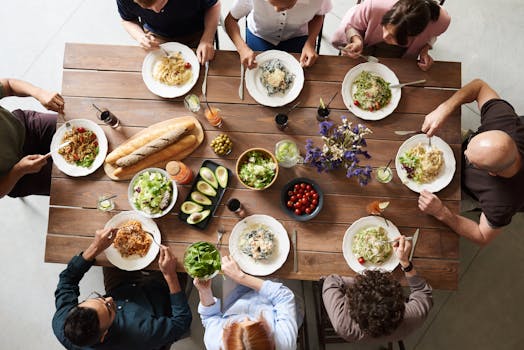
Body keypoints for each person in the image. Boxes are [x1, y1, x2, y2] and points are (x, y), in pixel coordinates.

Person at [418, 79, 524, 246]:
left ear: (492, 173)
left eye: (470, 159)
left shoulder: (501, 203)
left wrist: (442, 212)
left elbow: (482, 236)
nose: (463, 152)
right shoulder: (505, 122)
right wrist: (444, 109)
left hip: (466, 190)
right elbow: (479, 86)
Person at [52, 227, 192, 349]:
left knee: (114, 249)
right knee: (180, 254)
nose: (110, 299)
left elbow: (67, 280)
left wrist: (95, 248)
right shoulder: (141, 335)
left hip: (121, 288)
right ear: (104, 335)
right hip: (158, 299)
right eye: (108, 308)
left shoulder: (62, 323)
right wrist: (170, 276)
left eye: (99, 298)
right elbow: (182, 322)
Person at [322, 236, 433, 342]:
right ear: (399, 299)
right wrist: (405, 262)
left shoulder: (343, 325)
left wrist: (358, 284)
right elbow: (422, 291)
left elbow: (331, 281)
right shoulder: (414, 316)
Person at [194, 255, 300, 349]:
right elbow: (284, 297)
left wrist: (204, 291)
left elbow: (210, 317)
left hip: (236, 297)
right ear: (269, 340)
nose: (244, 317)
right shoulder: (285, 344)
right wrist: (241, 277)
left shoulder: (214, 343)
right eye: (252, 321)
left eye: (235, 324)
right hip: (273, 298)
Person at [331, 0, 450, 71]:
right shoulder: (375, 5)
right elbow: (353, 24)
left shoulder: (441, 21)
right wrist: (356, 40)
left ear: (414, 35)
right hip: (366, 38)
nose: (385, 36)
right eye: (385, 26)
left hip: (401, 54)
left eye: (393, 37)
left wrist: (425, 49)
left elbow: (432, 36)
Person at [0, 78, 64, 198]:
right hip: (16, 175)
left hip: (27, 127)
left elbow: (8, 85)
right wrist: (19, 170)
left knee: (80, 130)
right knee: (75, 185)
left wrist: (39, 93)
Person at [224, 0, 332, 68]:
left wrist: (310, 42)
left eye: (286, 6)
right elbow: (230, 20)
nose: (276, 10)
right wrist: (242, 48)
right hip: (259, 35)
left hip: (297, 36)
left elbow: (318, 16)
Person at [116, 0, 221, 64]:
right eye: (147, 8)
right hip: (157, 37)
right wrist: (140, 37)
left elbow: (214, 5)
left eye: (161, 2)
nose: (156, 10)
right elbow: (127, 20)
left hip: (196, 32)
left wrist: (207, 39)